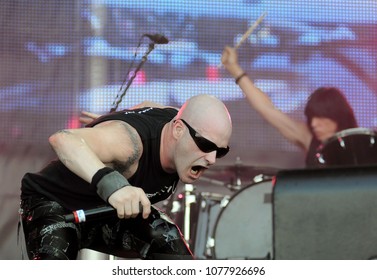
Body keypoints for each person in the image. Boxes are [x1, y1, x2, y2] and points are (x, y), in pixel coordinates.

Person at [19, 94, 232, 260]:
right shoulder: (128, 144)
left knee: (170, 245)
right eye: (205, 145)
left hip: (105, 212)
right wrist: (114, 184)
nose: (212, 159)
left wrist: (110, 119)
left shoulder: (181, 122)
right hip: (56, 204)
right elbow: (61, 139)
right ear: (177, 130)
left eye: (220, 151)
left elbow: (147, 105)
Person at [221, 46, 358, 167]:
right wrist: (235, 69)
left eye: (321, 117)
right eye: (311, 118)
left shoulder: (360, 144)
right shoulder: (310, 139)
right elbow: (267, 109)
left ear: (337, 116)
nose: (314, 124)